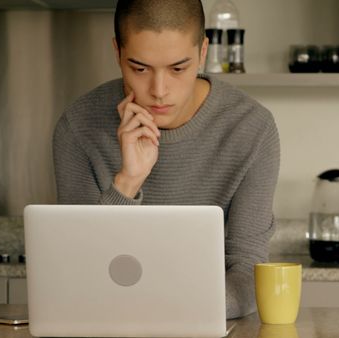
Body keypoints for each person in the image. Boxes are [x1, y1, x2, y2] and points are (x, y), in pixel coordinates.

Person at [52, 0, 280, 319]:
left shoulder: (251, 128)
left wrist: (163, 307)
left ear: (203, 52)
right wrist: (127, 182)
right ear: (117, 52)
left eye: (178, 68)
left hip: (201, 325)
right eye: (140, 68)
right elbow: (79, 275)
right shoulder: (77, 127)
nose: (159, 90)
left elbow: (248, 277)